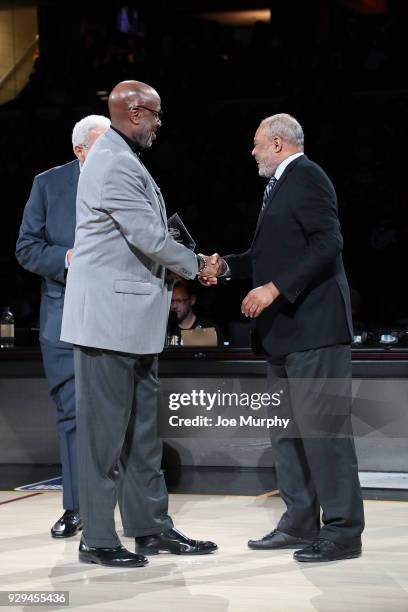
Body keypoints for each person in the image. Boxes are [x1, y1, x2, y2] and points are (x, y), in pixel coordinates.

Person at [60, 80, 219, 568]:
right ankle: (99, 540)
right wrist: (199, 265)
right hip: (109, 322)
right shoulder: (111, 161)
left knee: (141, 437)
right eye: (155, 115)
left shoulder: (121, 158)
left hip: (132, 322)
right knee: (104, 438)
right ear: (133, 112)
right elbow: (151, 236)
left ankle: (151, 529)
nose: (158, 124)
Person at [203, 113, 365, 563]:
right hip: (284, 335)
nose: (252, 152)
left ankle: (343, 531)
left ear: (277, 144)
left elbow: (328, 242)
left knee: (325, 433)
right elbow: (268, 255)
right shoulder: (279, 187)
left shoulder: (308, 177)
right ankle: (298, 522)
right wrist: (227, 266)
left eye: (256, 144)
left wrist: (274, 289)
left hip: (315, 330)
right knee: (287, 434)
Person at [15, 115, 110, 539]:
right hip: (63, 316)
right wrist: (68, 258)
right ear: (80, 150)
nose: (112, 154)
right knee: (71, 416)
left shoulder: (128, 179)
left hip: (113, 316)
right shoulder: (48, 184)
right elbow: (27, 248)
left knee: (116, 413)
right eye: (102, 146)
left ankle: (127, 507)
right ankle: (76, 507)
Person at [168, 280, 224, 345]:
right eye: (172, 301)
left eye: (179, 301)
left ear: (192, 300)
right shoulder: (166, 328)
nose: (174, 306)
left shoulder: (208, 328)